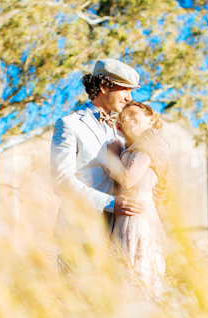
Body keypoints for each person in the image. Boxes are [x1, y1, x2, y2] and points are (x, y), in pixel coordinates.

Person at [50, 59, 145, 248]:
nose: (129, 97)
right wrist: (111, 203)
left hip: (119, 237)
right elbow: (61, 181)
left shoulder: (122, 130)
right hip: (78, 236)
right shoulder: (69, 125)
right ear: (103, 86)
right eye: (125, 89)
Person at [105, 101, 170, 295]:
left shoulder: (152, 137)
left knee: (138, 275)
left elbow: (128, 179)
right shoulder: (133, 147)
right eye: (123, 118)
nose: (126, 118)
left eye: (133, 113)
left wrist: (112, 154)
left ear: (151, 119)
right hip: (126, 216)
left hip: (139, 216)